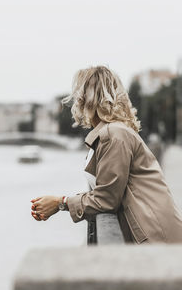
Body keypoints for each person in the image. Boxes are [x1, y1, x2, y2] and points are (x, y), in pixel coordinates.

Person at [31, 65, 182, 244]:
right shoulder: (113, 131)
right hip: (151, 228)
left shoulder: (113, 134)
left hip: (153, 235)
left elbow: (107, 198)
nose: (76, 100)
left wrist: (60, 203)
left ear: (88, 98)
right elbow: (109, 188)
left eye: (79, 94)